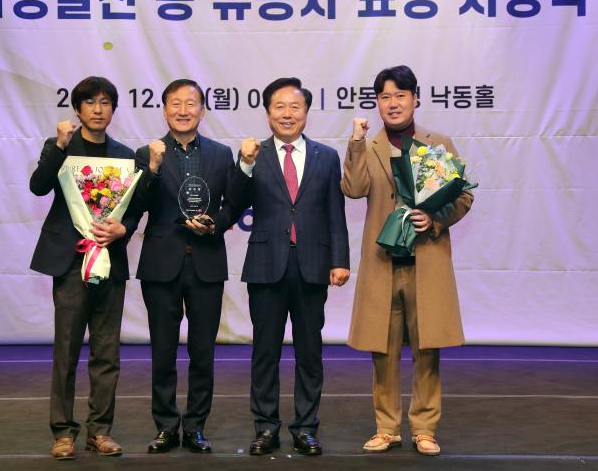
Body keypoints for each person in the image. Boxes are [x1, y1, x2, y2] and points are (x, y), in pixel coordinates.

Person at [341, 65, 474, 456]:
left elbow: (463, 196)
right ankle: (386, 428)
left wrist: (435, 219)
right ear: (377, 103)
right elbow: (353, 189)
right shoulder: (370, 146)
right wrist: (355, 143)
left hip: (426, 261)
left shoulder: (438, 144)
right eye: (385, 97)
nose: (393, 103)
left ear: (415, 98)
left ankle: (424, 428)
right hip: (384, 263)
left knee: (427, 349)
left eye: (400, 95)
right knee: (382, 351)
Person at [30, 76, 159, 460]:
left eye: (105, 102)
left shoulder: (124, 155)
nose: (98, 109)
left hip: (109, 260)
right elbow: (38, 186)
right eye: (90, 102)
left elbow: (137, 206)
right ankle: (62, 433)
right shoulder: (61, 146)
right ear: (77, 109)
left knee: (107, 352)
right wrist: (59, 146)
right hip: (71, 262)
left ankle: (99, 431)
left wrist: (124, 229)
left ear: (113, 110)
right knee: (66, 351)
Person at [232, 77, 350, 457]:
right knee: (264, 352)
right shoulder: (254, 154)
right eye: (279, 107)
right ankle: (265, 428)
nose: (287, 114)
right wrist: (244, 165)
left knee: (309, 353)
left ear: (306, 113)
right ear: (268, 113)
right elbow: (235, 201)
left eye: (295, 107)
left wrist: (340, 260)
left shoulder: (325, 157)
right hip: (266, 265)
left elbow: (335, 213)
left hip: (312, 265)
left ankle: (306, 428)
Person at [134, 79, 243, 454]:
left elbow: (234, 204)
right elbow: (136, 205)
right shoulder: (147, 153)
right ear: (164, 109)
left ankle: (196, 426)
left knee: (203, 352)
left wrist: (215, 223)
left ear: (203, 110)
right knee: (162, 351)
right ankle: (166, 426)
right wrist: (152, 168)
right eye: (176, 103)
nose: (183, 110)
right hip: (161, 264)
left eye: (191, 103)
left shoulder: (220, 154)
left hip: (206, 262)